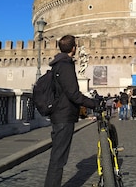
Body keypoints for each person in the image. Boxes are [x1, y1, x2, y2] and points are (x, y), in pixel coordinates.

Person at [44, 35, 98, 187]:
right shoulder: (65, 65)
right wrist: (93, 103)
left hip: (59, 115)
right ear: (73, 48)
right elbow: (73, 94)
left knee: (57, 156)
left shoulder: (57, 64)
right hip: (64, 116)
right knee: (58, 158)